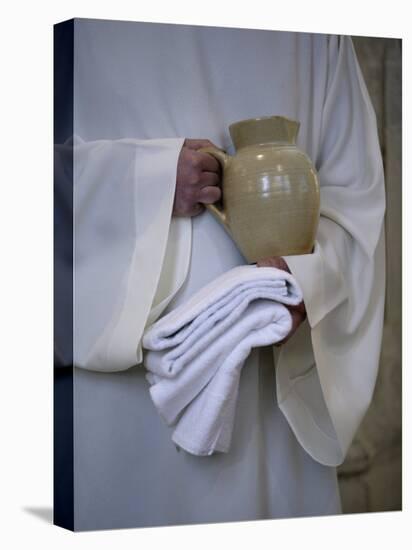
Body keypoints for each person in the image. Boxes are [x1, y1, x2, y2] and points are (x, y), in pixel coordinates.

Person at [57, 19, 385, 530]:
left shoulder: (320, 27)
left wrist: (309, 283)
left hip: (272, 401)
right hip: (121, 409)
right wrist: (145, 180)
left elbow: (355, 200)